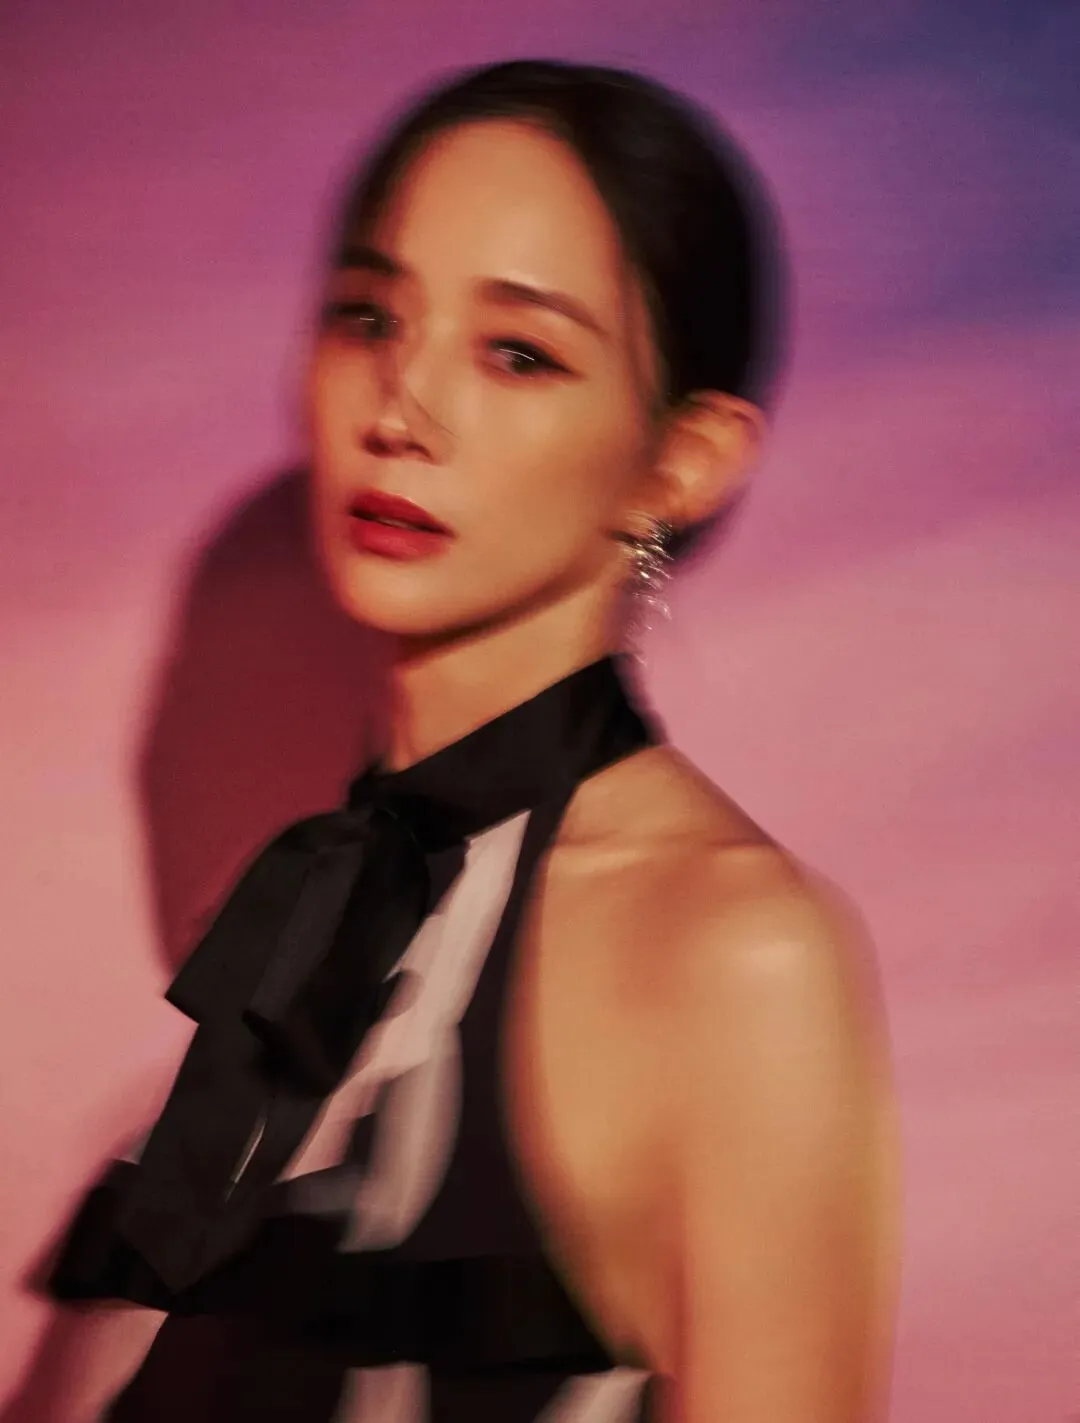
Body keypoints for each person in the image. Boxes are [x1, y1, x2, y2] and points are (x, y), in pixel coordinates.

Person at [31, 58, 899, 1423]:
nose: (399, 409)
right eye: (368, 316)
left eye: (518, 352)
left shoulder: (735, 951)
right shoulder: (304, 920)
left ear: (682, 462)